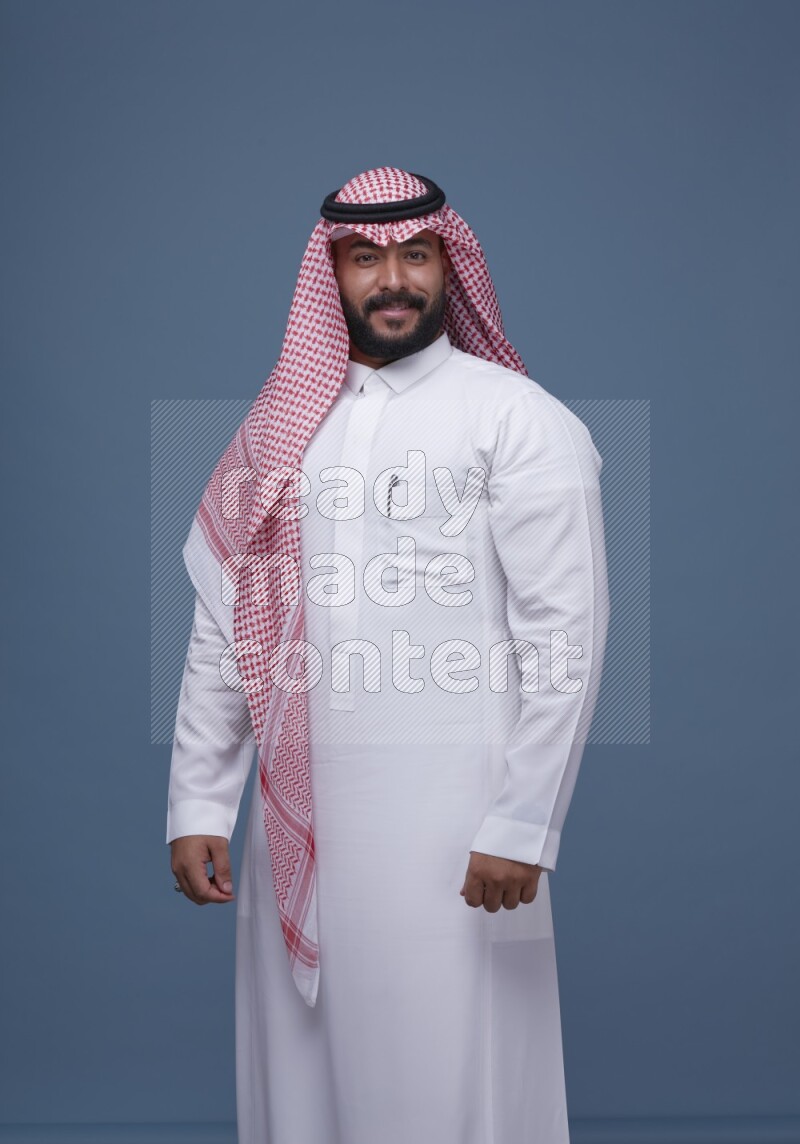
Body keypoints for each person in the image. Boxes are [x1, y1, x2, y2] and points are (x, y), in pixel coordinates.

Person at [166, 167, 610, 1144]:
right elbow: (222, 625)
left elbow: (563, 638)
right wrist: (200, 799)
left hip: (458, 822)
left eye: (415, 254)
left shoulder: (515, 419)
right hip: (300, 825)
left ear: (450, 262)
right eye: (364, 259)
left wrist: (523, 822)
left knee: (455, 1072)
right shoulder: (276, 432)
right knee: (303, 1077)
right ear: (328, 275)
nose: (391, 279)